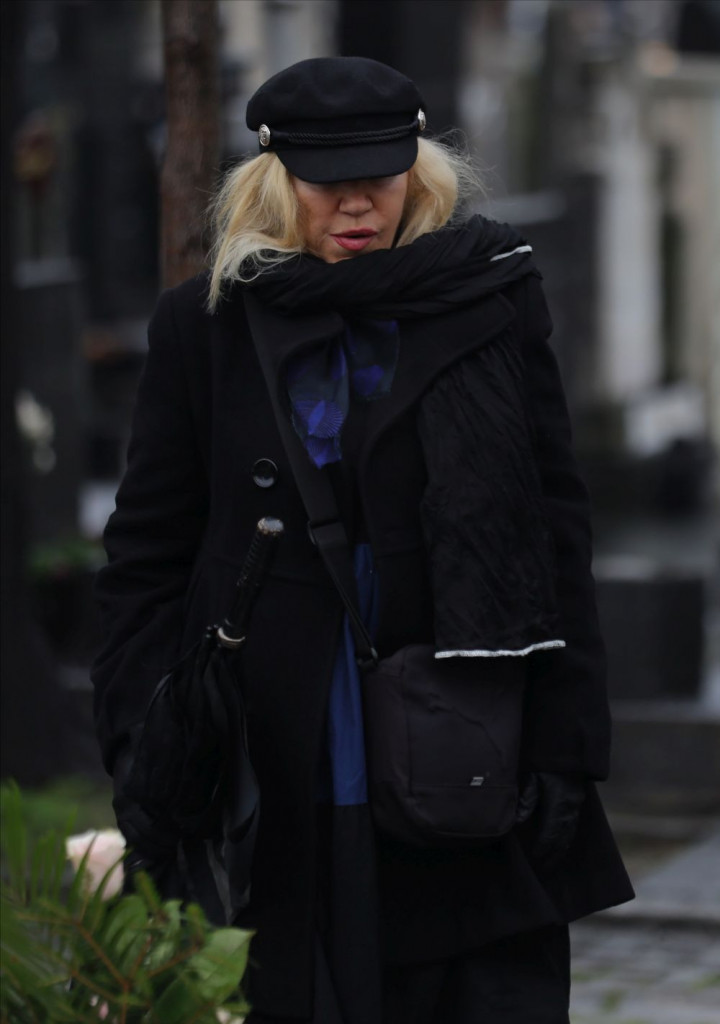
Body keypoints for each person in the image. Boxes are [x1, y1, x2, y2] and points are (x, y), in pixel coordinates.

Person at [92, 56, 634, 1024]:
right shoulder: (206, 325)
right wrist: (143, 738)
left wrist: (566, 746)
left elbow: (555, 535)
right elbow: (146, 553)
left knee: (462, 982)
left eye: (379, 177)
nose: (355, 204)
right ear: (275, 181)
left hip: (462, 712)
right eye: (325, 182)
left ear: (417, 174)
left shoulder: (489, 297)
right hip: (271, 731)